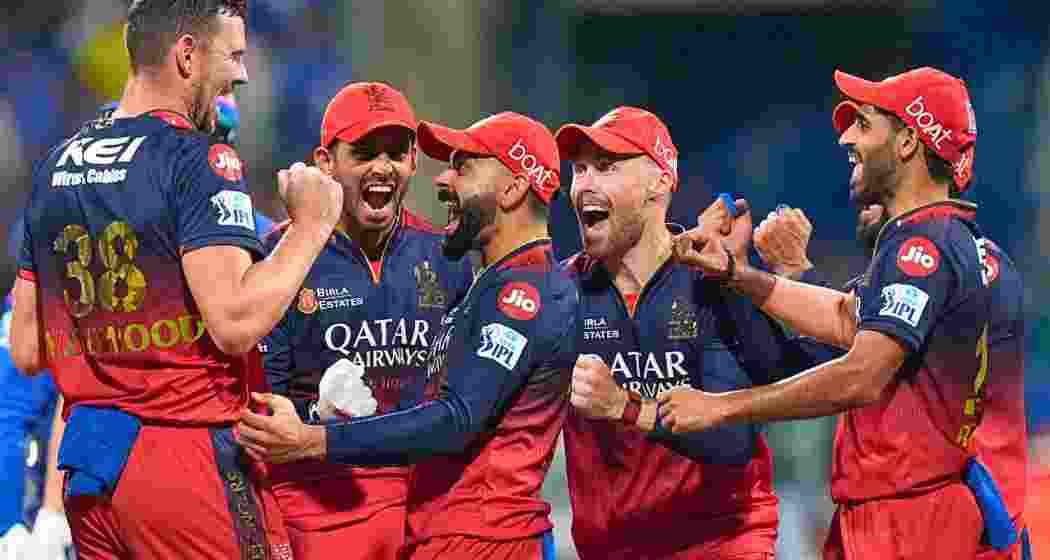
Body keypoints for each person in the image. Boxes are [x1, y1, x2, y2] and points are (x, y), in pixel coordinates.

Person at [8, 0, 344, 558]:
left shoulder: (56, 167)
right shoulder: (200, 160)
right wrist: (311, 226)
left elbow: (26, 349)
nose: (242, 73)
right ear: (187, 54)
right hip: (185, 461)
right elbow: (235, 323)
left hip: (90, 466)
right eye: (234, 55)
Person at [663, 66, 1001, 559]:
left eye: (864, 124)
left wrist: (723, 405)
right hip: (887, 510)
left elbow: (862, 375)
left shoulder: (925, 245)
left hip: (912, 522)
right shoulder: (921, 237)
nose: (846, 136)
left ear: (908, 141)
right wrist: (736, 271)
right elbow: (847, 317)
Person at [236, 111, 576, 559]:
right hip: (446, 534)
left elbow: (455, 418)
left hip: (485, 541)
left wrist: (314, 439)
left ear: (512, 189)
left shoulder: (524, 292)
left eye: (463, 166)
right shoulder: (494, 283)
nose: (443, 180)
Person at [259, 81, 474, 560]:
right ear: (325, 162)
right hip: (317, 507)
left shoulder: (446, 255)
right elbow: (258, 409)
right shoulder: (279, 256)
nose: (382, 167)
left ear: (414, 162)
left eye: (396, 153)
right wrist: (319, 418)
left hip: (422, 506)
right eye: (364, 152)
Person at [554, 106, 779, 559]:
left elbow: (732, 440)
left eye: (606, 167)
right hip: (613, 549)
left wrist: (624, 405)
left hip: (719, 543)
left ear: (660, 181)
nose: (585, 184)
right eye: (579, 169)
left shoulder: (709, 280)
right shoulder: (559, 294)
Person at [752, 202, 1030, 560]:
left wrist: (722, 410)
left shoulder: (964, 262)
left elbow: (857, 366)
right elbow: (855, 335)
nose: (860, 200)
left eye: (876, 192)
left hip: (961, 527)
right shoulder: (928, 262)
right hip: (895, 518)